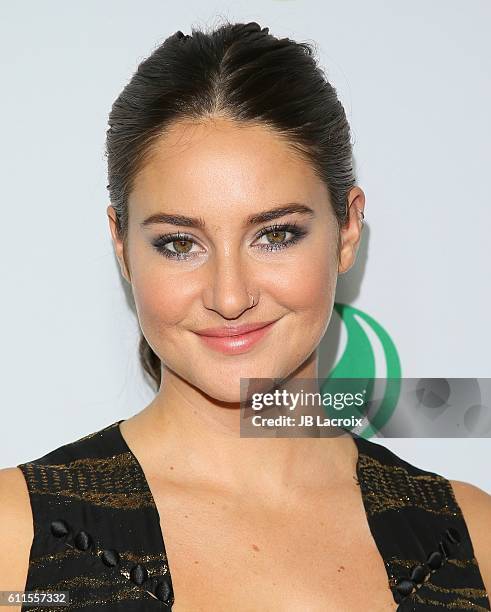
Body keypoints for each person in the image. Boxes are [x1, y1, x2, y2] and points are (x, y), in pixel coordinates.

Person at [1, 20, 490, 612]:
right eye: (180, 243)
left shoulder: (472, 540)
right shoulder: (17, 540)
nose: (229, 298)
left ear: (348, 229)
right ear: (122, 246)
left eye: (276, 234)